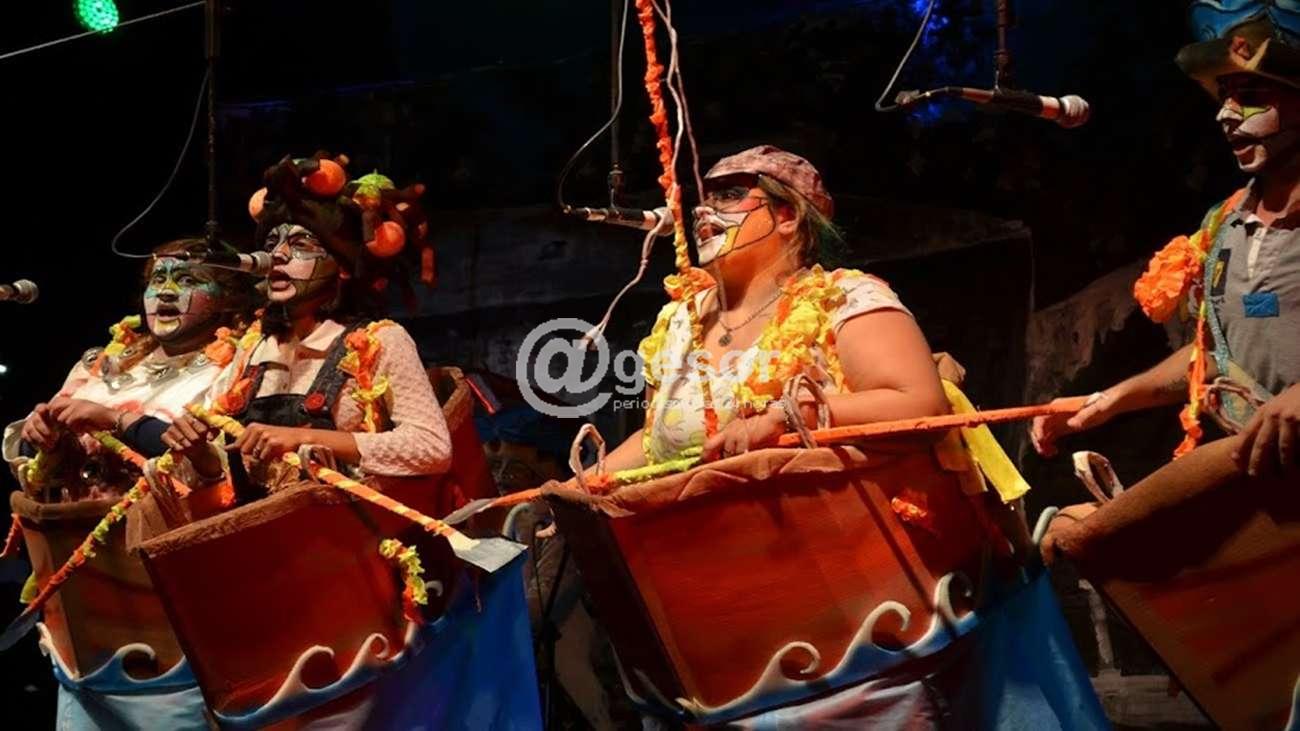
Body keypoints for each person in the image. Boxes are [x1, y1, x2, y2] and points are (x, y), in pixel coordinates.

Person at [1031, 11, 1300, 477]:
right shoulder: (1225, 224)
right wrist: (1111, 399)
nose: (1226, 114)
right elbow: (1213, 355)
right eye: (1224, 96)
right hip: (1267, 479)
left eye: (1251, 96)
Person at [3, 237, 254, 731]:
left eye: (188, 280)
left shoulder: (236, 365)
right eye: (157, 280)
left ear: (228, 298)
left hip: (166, 581)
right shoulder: (105, 362)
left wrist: (115, 422)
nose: (166, 292)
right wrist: (42, 434)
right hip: (83, 580)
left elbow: (217, 465)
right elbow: (35, 454)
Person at [596, 144, 949, 474]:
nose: (702, 210)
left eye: (729, 195)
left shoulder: (843, 297)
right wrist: (579, 487)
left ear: (788, 216)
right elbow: (653, 442)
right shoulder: (680, 321)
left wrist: (790, 416)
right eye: (703, 200)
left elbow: (922, 407)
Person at [163, 153, 452, 500]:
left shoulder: (380, 341)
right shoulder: (254, 346)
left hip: (344, 524)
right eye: (271, 244)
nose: (278, 255)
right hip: (264, 524)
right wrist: (199, 454)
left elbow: (431, 447)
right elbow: (227, 471)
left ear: (341, 266)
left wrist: (306, 437)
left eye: (300, 245)